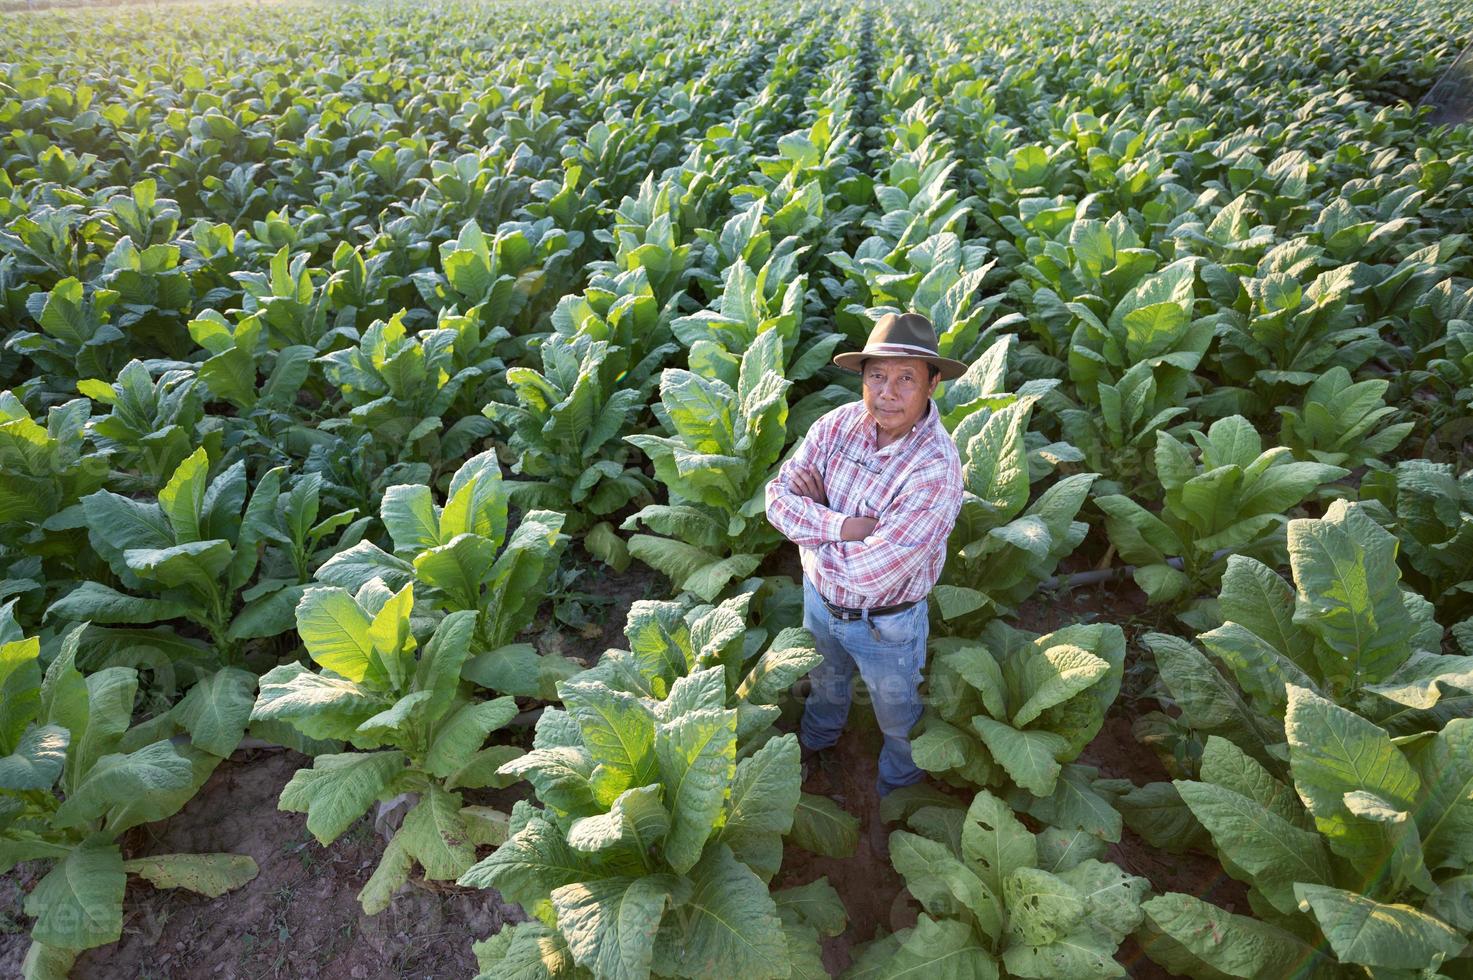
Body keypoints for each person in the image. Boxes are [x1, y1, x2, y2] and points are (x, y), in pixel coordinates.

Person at [765, 311, 965, 801]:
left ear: (932, 384)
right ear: (863, 378)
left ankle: (895, 795)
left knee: (898, 717)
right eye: (877, 375)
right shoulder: (836, 426)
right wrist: (845, 526)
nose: (888, 392)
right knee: (825, 685)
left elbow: (871, 577)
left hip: (887, 624)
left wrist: (810, 524)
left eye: (906, 379)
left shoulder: (936, 469)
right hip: (818, 602)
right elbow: (776, 498)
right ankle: (817, 744)